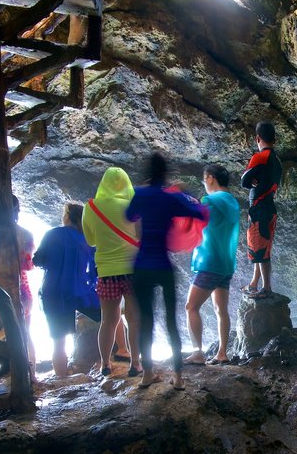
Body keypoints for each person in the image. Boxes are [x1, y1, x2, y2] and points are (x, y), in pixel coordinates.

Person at [125, 153, 207, 389]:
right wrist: (180, 193)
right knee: (172, 321)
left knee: (145, 321)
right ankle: (179, 377)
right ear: (166, 173)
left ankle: (147, 374)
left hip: (141, 266)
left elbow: (129, 216)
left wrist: (141, 194)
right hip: (163, 265)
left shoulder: (140, 194)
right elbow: (201, 213)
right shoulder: (169, 198)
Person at [82, 167, 143, 378]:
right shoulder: (133, 206)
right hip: (133, 270)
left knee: (108, 319)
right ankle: (136, 364)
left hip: (107, 272)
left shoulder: (91, 207)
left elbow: (90, 240)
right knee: (135, 318)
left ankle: (105, 365)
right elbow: (140, 236)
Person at [32, 202, 102, 378]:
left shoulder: (52, 234)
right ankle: (113, 358)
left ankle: (62, 378)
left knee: (59, 342)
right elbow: (95, 268)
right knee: (109, 318)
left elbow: (38, 260)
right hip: (81, 291)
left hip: (53, 291)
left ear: (67, 217)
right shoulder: (87, 238)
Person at [184, 164, 240, 366]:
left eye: (203, 180)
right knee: (221, 310)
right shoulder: (233, 202)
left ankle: (197, 353)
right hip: (226, 264)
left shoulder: (210, 201)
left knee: (191, 306)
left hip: (209, 262)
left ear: (209, 178)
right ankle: (222, 353)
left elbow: (193, 222)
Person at [0, 195, 35, 370]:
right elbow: (28, 266)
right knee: (24, 334)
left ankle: (8, 371)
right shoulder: (27, 234)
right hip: (22, 288)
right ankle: (31, 373)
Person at [240, 121, 282, 298]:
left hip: (259, 208)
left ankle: (266, 289)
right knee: (259, 248)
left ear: (258, 138)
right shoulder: (277, 160)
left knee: (260, 249)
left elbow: (244, 181)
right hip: (269, 206)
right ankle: (254, 283)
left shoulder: (261, 156)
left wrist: (251, 181)